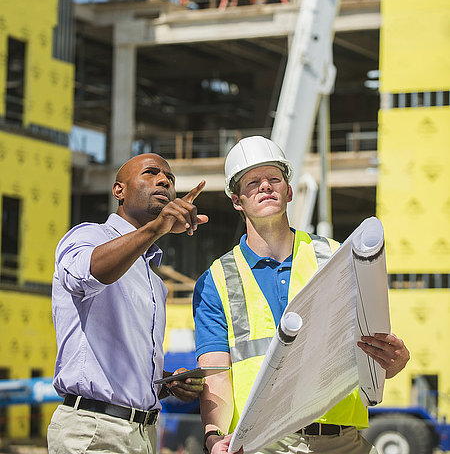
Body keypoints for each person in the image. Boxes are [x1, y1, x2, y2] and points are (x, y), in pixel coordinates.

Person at [193, 136, 410, 454]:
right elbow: (216, 374)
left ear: (289, 191)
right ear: (237, 200)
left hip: (341, 440)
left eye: (274, 179)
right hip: (260, 444)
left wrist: (394, 362)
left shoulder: (336, 255)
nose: (265, 186)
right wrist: (214, 436)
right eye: (253, 182)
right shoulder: (215, 280)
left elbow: (370, 344)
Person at [48, 153, 209, 454]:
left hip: (143, 433)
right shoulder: (88, 236)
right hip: (94, 430)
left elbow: (119, 369)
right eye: (151, 173)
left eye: (170, 179)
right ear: (118, 191)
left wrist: (165, 384)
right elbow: (86, 275)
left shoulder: (153, 281)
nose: (164, 180)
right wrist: (155, 229)